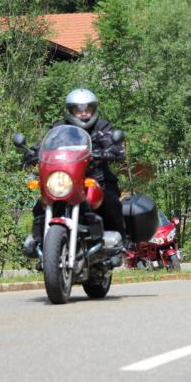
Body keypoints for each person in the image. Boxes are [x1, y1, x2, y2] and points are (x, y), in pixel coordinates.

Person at [23, 88, 126, 260]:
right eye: (79, 109)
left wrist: (113, 150)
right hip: (65, 180)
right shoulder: (59, 127)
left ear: (94, 109)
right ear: (71, 111)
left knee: (111, 202)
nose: (84, 113)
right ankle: (39, 241)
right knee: (39, 207)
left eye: (88, 108)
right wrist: (32, 153)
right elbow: (44, 144)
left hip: (96, 179)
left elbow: (112, 143)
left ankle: (121, 244)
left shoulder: (102, 126)